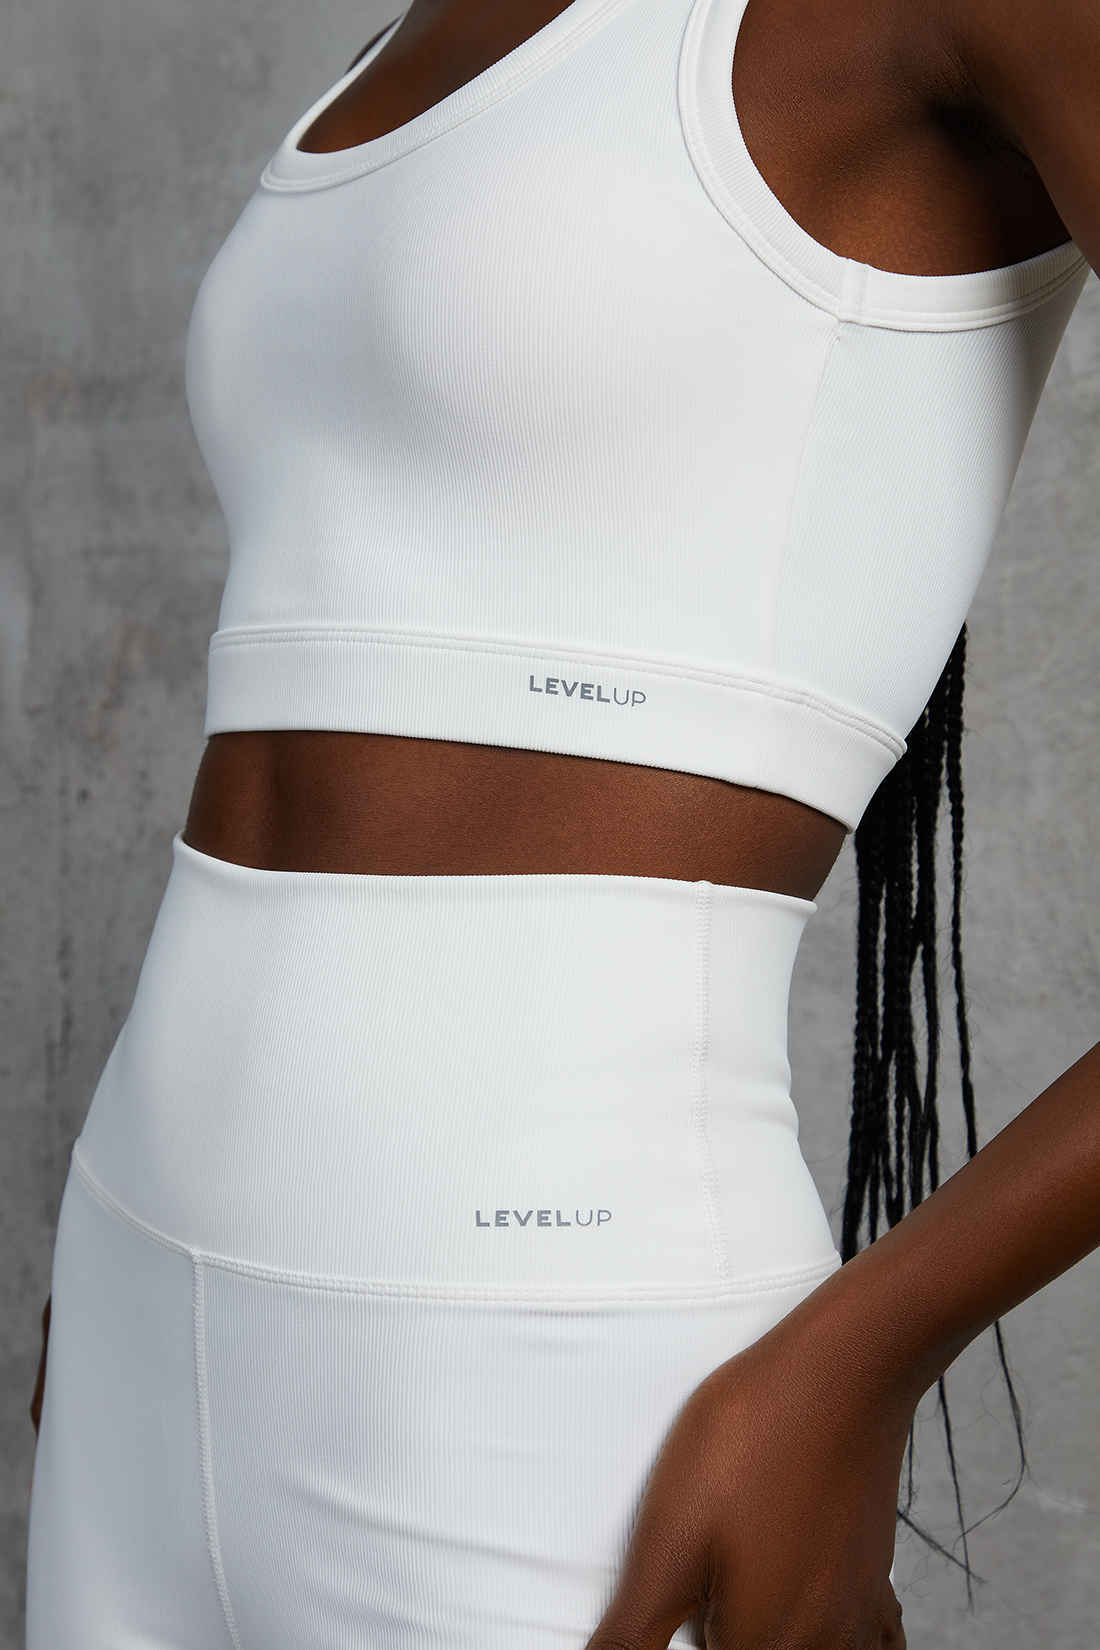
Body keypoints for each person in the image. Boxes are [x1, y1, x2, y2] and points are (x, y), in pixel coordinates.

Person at [23, 0, 1100, 1644]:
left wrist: (854, 1361)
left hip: (557, 1347)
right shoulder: (427, 25)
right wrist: (151, 1276)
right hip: (135, 1285)